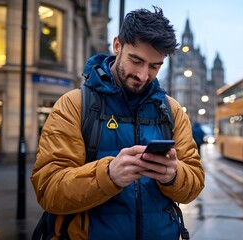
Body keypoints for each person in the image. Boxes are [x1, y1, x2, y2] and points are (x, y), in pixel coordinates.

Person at [31, 6, 205, 240]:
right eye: (136, 60)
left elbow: (194, 183)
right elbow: (48, 190)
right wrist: (108, 175)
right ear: (117, 46)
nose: (143, 75)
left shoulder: (172, 110)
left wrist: (173, 175)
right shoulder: (73, 105)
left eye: (155, 66)